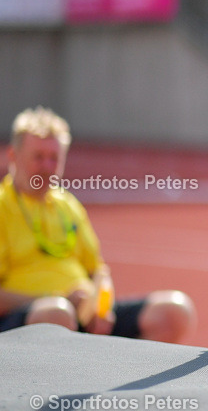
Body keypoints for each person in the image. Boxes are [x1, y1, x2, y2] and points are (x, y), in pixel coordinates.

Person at [0, 107, 196, 342]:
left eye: (55, 158)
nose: (47, 167)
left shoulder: (68, 205)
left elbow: (99, 271)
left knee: (174, 311)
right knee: (56, 315)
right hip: (30, 321)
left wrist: (100, 305)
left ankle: (124, 375)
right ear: (13, 155)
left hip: (82, 315)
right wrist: (58, 298)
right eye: (38, 157)